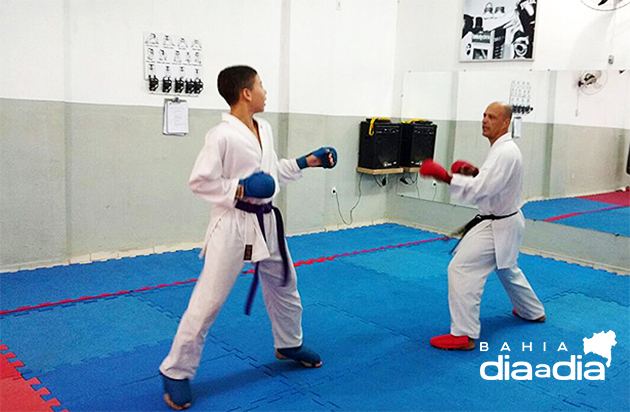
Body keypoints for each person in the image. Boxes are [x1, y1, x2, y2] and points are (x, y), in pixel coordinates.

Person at [159, 65, 337, 409]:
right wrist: (239, 188)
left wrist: (306, 161)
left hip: (267, 222)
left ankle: (288, 342)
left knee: (285, 284)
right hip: (233, 223)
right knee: (209, 300)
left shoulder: (264, 129)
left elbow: (270, 176)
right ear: (245, 93)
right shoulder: (220, 136)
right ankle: (176, 371)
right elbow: (200, 181)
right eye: (260, 85)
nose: (265, 91)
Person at [419, 101, 545, 351]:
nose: (485, 120)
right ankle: (532, 311)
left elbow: (482, 190)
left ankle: (463, 335)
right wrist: (474, 172)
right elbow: (493, 184)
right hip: (503, 221)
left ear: (506, 123)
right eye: (484, 115)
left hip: (498, 223)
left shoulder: (506, 152)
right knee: (506, 267)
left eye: (492, 117)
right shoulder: (501, 149)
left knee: (461, 269)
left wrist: (445, 176)